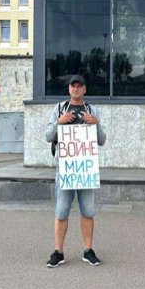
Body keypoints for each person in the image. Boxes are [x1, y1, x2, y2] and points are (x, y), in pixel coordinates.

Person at [44, 75, 107, 268]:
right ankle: (58, 251)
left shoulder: (92, 110)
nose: (76, 89)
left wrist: (95, 124)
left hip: (85, 169)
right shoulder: (59, 109)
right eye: (73, 86)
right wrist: (59, 122)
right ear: (69, 89)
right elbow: (47, 136)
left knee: (87, 210)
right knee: (61, 211)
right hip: (65, 168)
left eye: (80, 86)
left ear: (85, 90)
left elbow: (102, 140)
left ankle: (88, 250)